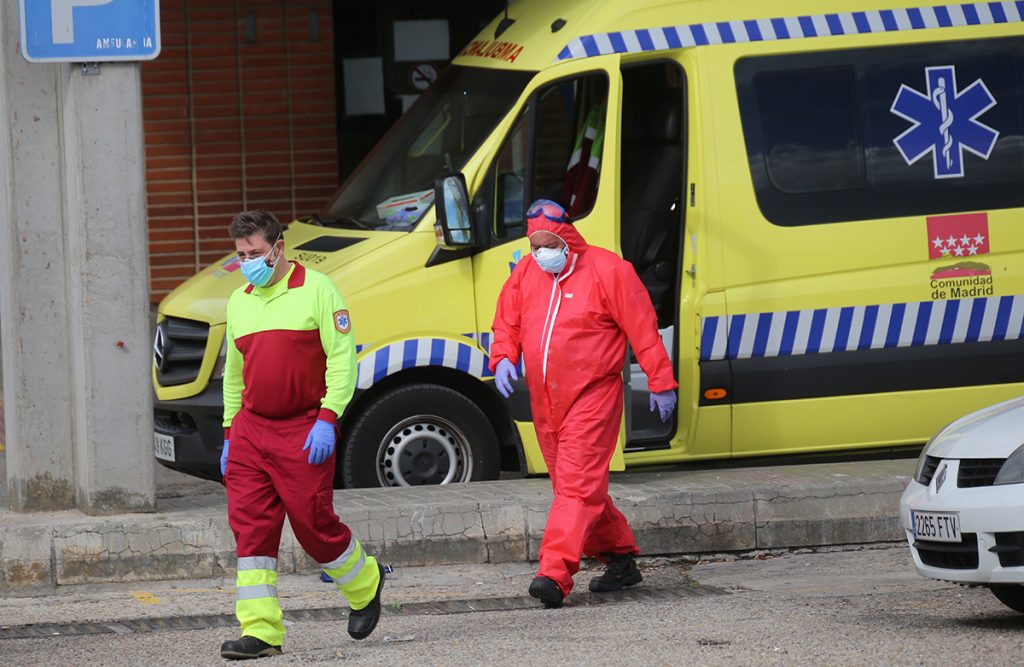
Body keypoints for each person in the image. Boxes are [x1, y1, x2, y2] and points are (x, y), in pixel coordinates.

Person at [489, 199, 677, 608]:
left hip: (593, 395)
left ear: (567, 238)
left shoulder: (609, 271)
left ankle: (553, 574)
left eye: (548, 244)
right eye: (534, 245)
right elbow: (507, 320)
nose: (540, 252)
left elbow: (643, 329)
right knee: (575, 488)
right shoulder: (528, 272)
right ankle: (620, 558)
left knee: (575, 486)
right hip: (546, 400)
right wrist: (503, 355)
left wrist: (661, 381)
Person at [219, 210, 384, 659]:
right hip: (251, 431)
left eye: (254, 253)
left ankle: (366, 583)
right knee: (251, 532)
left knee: (314, 527)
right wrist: (230, 433)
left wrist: (328, 418)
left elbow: (342, 359)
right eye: (240, 255)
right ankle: (260, 631)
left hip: (304, 428)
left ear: (278, 248)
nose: (247, 262)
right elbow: (233, 375)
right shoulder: (239, 302)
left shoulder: (318, 289)